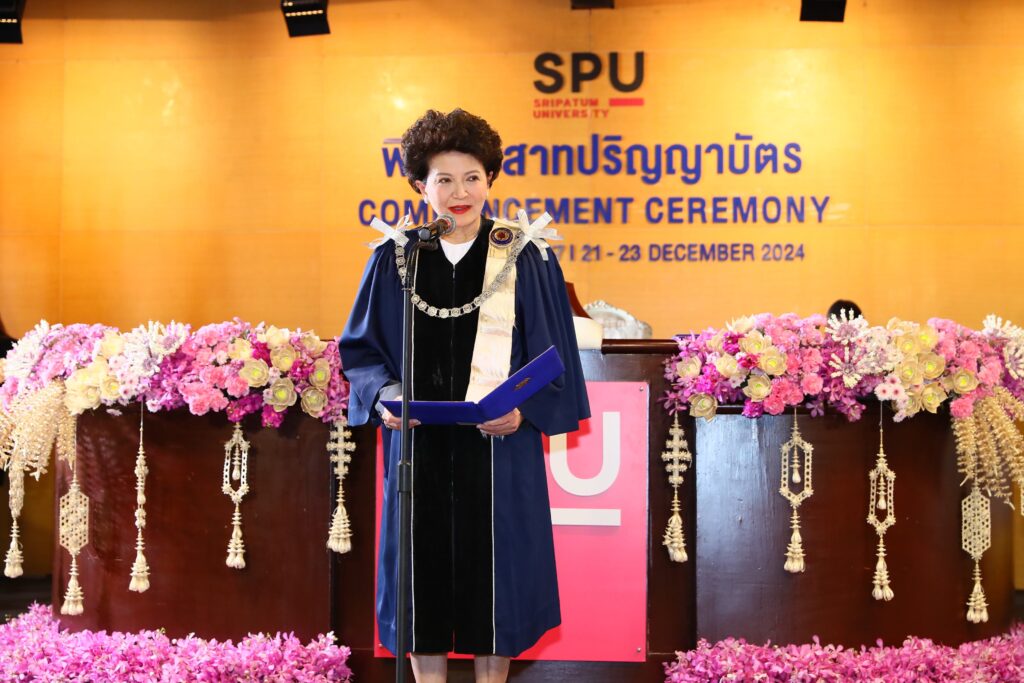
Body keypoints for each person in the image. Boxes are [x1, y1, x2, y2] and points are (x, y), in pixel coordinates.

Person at [339, 109, 590, 683]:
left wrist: (524, 410)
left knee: (497, 578)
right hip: (417, 447)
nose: (460, 193)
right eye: (444, 180)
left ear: (490, 179)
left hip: (500, 446)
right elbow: (361, 352)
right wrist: (386, 395)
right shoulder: (395, 258)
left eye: (472, 177)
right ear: (419, 186)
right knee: (419, 577)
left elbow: (554, 353)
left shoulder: (526, 255)